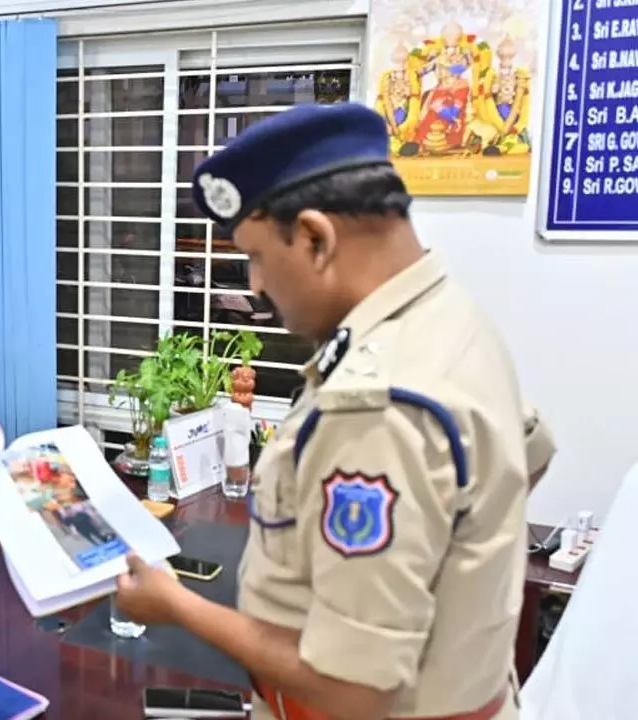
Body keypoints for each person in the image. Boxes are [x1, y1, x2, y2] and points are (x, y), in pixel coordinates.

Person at [116, 103, 537, 720]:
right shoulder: (451, 321)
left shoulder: (377, 402)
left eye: (255, 257)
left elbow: (351, 688)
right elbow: (519, 466)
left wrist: (175, 605)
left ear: (315, 237)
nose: (255, 286)